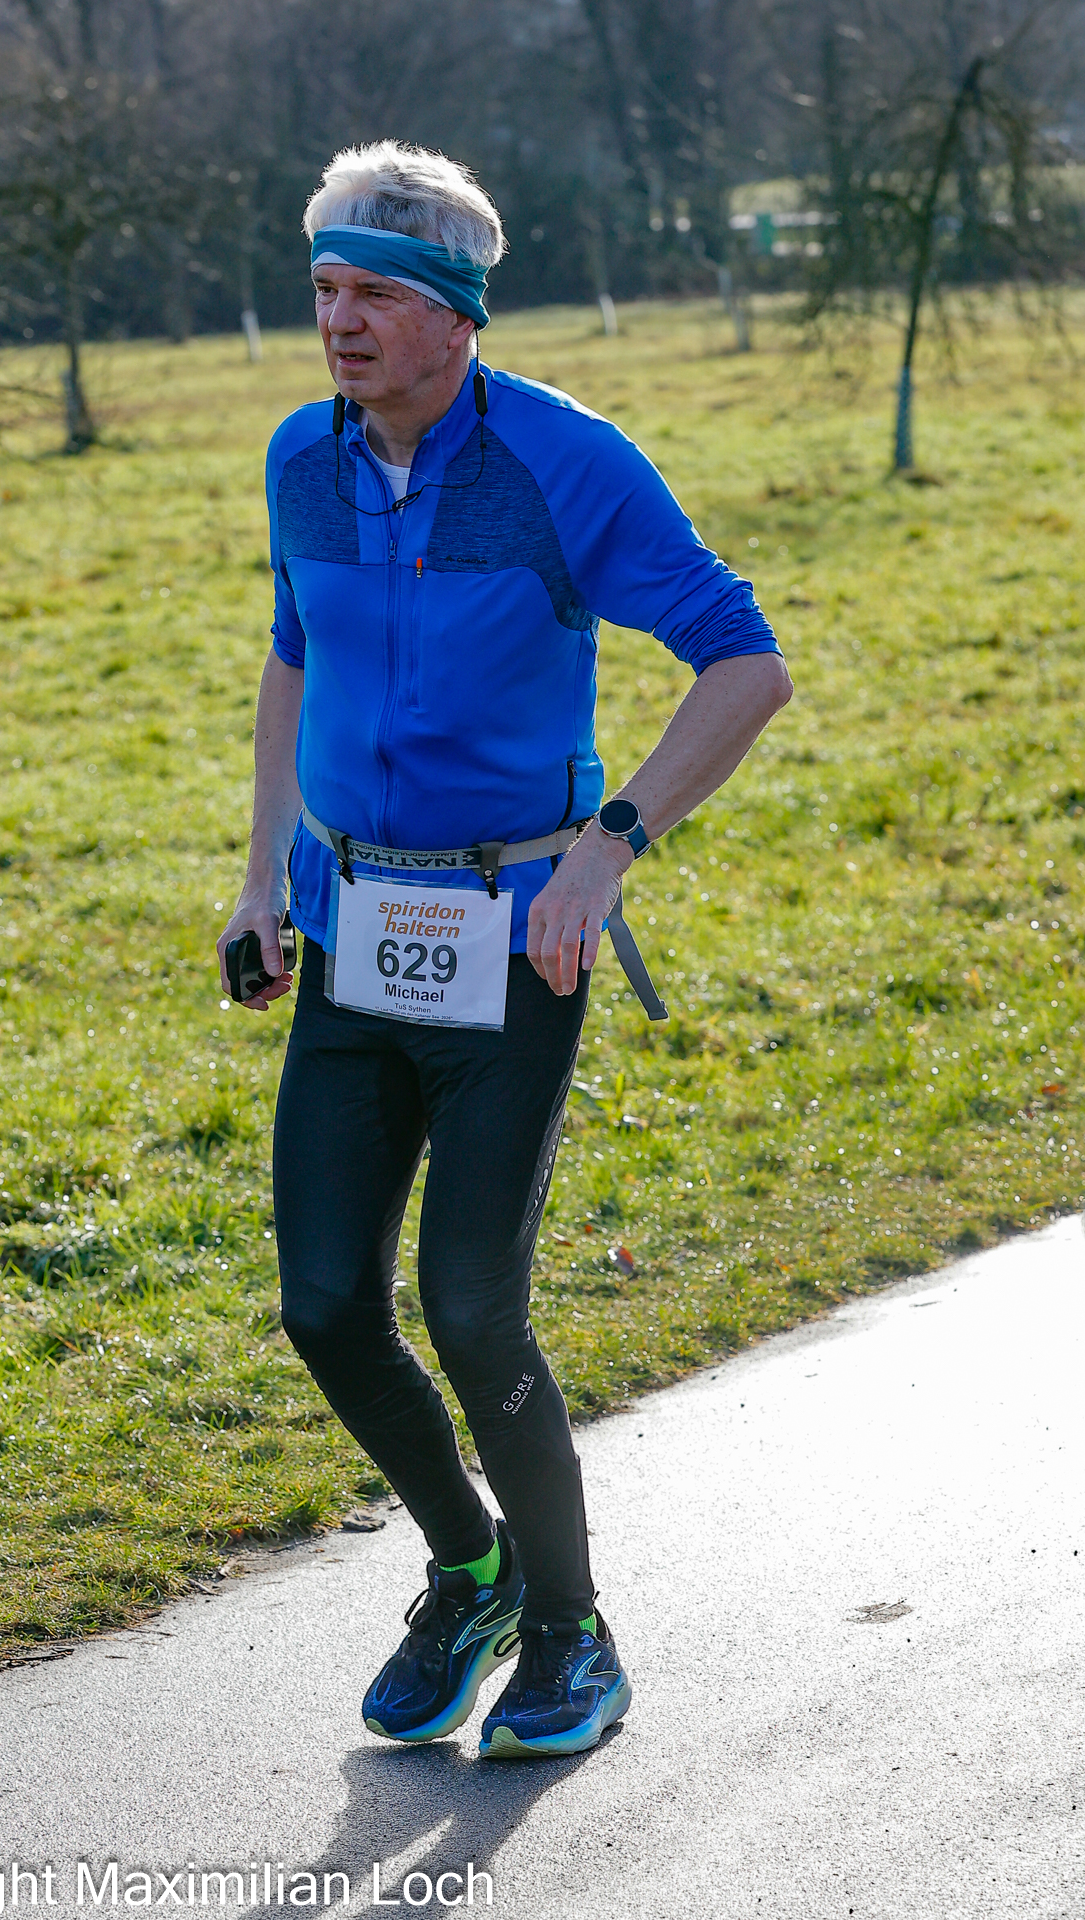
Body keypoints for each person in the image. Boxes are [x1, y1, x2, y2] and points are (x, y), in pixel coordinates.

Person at [218, 141, 792, 1760]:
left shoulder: (566, 463)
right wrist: (260, 878)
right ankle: (470, 1572)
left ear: (458, 314)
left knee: (472, 1310)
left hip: (515, 940)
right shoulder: (301, 457)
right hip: (350, 931)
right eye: (324, 288)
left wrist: (609, 846)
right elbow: (293, 655)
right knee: (326, 1304)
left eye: (376, 295)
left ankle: (569, 1633)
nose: (340, 322)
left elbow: (744, 661)